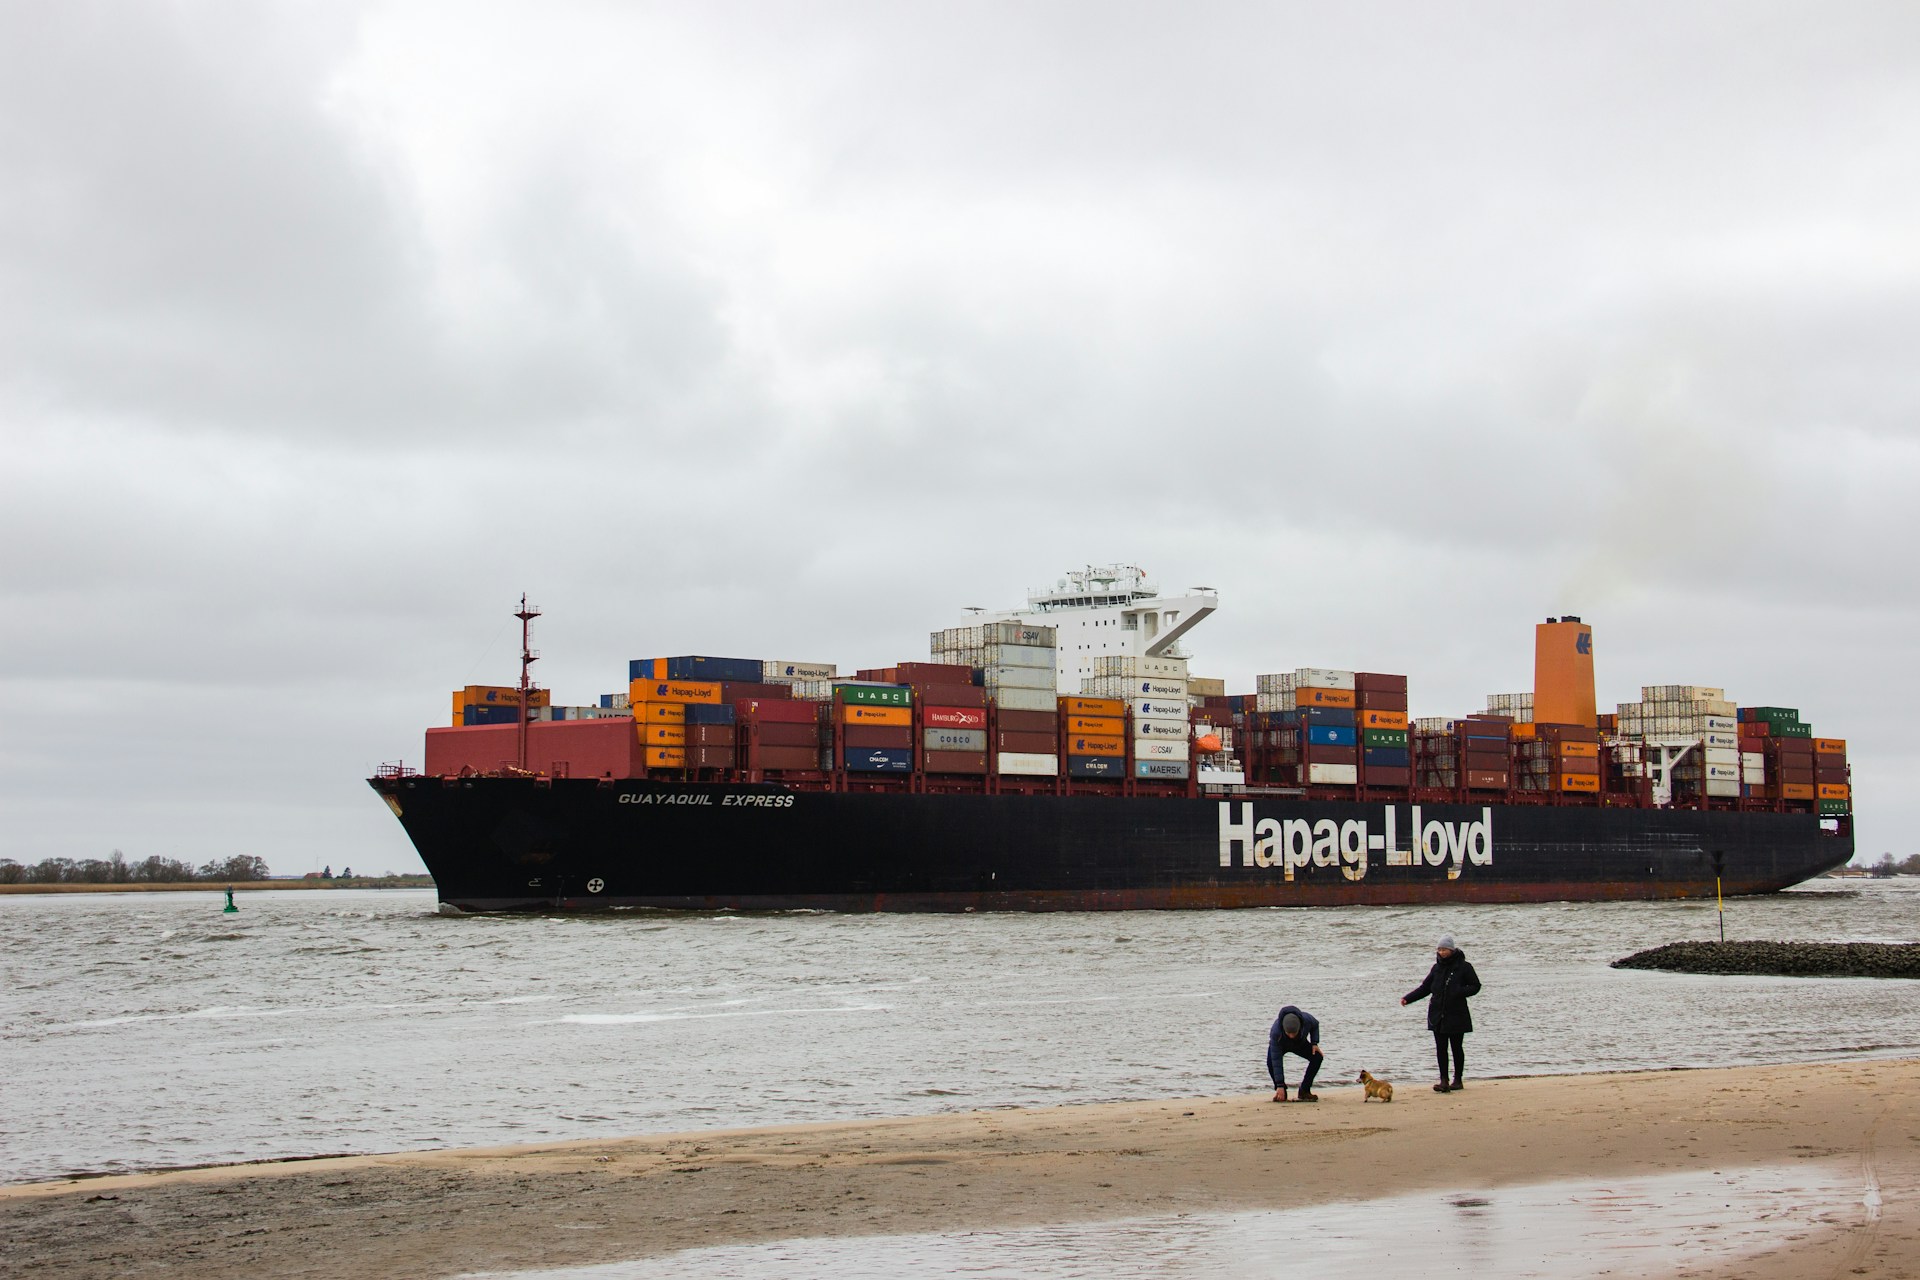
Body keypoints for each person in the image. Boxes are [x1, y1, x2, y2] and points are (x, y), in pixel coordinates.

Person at [1402, 934, 1481, 1092]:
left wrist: (1459, 991)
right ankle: (1443, 1080)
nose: (1441, 952)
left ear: (1451, 950)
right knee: (1440, 1048)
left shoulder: (1464, 967)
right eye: (1439, 949)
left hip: (1457, 1014)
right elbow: (1425, 988)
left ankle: (1457, 1080)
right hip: (1437, 1014)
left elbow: (1475, 986)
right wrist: (1408, 998)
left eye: (1444, 949)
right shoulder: (1436, 968)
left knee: (1456, 1047)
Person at [1266, 1005, 1323, 1102]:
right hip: (1281, 1045)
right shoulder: (1276, 1032)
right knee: (1271, 1062)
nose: (1291, 1036)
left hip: (1300, 1043)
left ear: (1300, 1027)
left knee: (1317, 1057)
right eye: (1289, 1033)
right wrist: (1279, 1085)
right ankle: (1281, 1091)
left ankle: (1304, 1091)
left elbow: (1315, 1024)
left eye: (1294, 1033)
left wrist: (1314, 1043)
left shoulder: (1306, 1019)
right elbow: (1277, 1062)